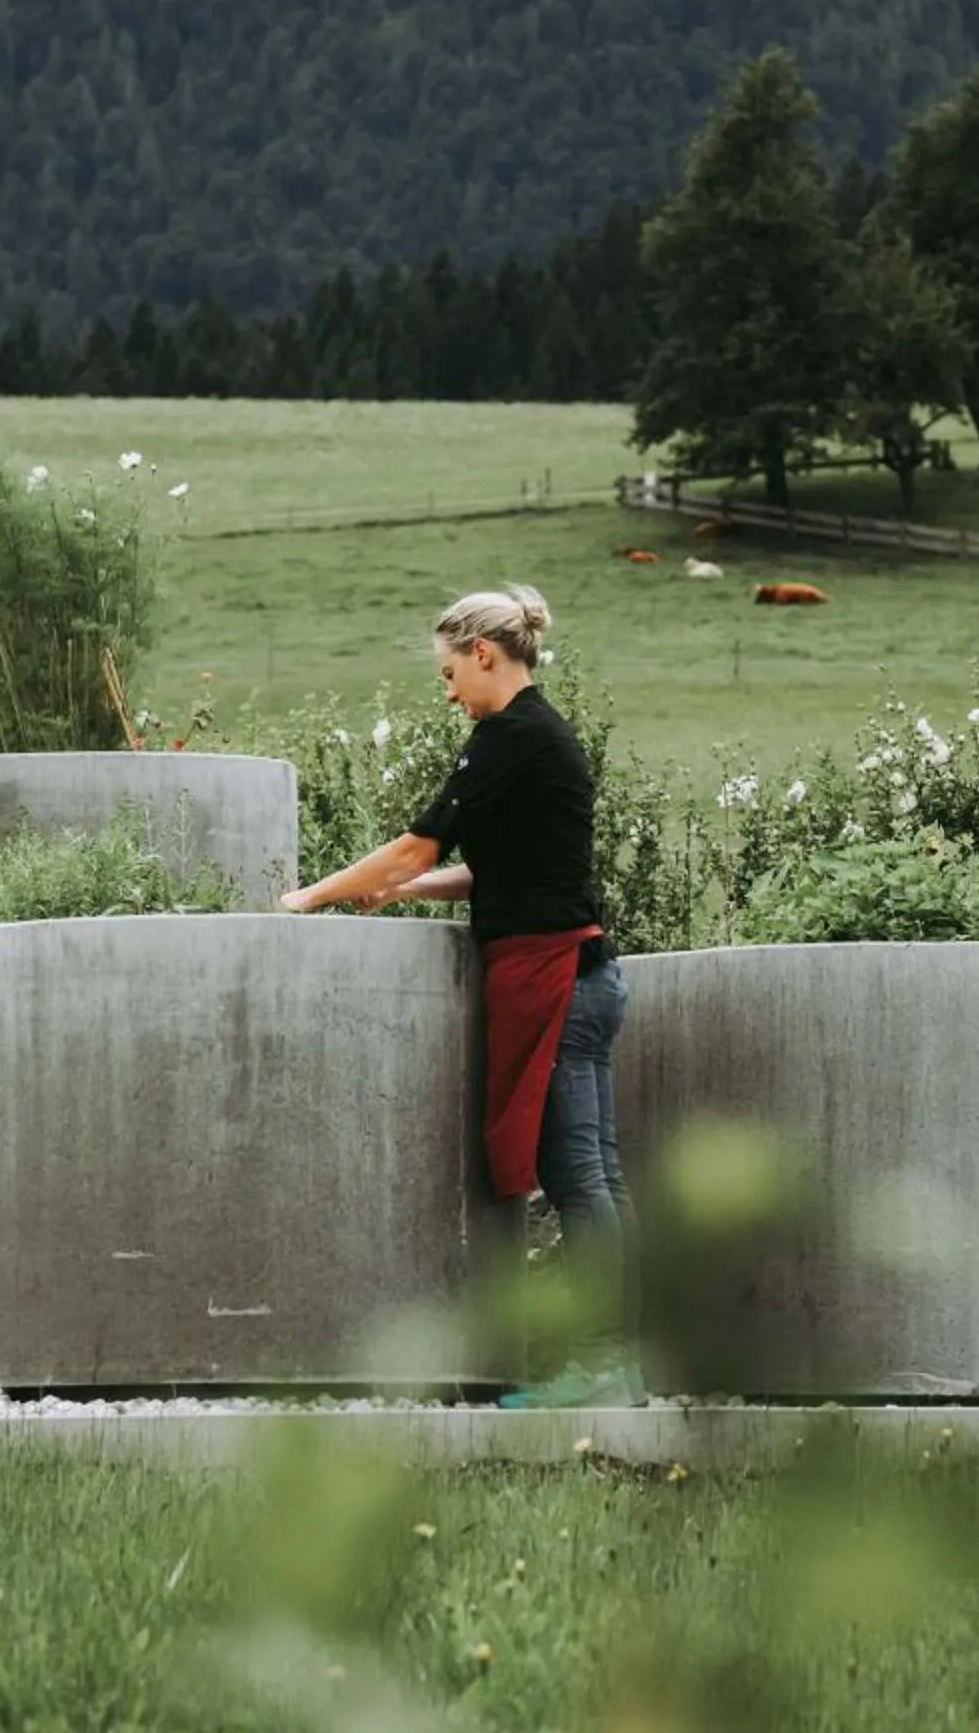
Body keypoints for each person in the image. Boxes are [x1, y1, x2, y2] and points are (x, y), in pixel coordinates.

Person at [276, 584, 642, 1408]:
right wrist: (398, 892)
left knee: (578, 1177)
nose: (447, 693)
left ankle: (603, 1368)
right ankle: (616, 1363)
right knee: (599, 1177)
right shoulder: (542, 734)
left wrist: (311, 896)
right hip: (584, 975)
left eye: (448, 674)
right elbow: (497, 869)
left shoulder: (510, 735)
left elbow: (416, 845)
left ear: (483, 654)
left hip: (558, 979)